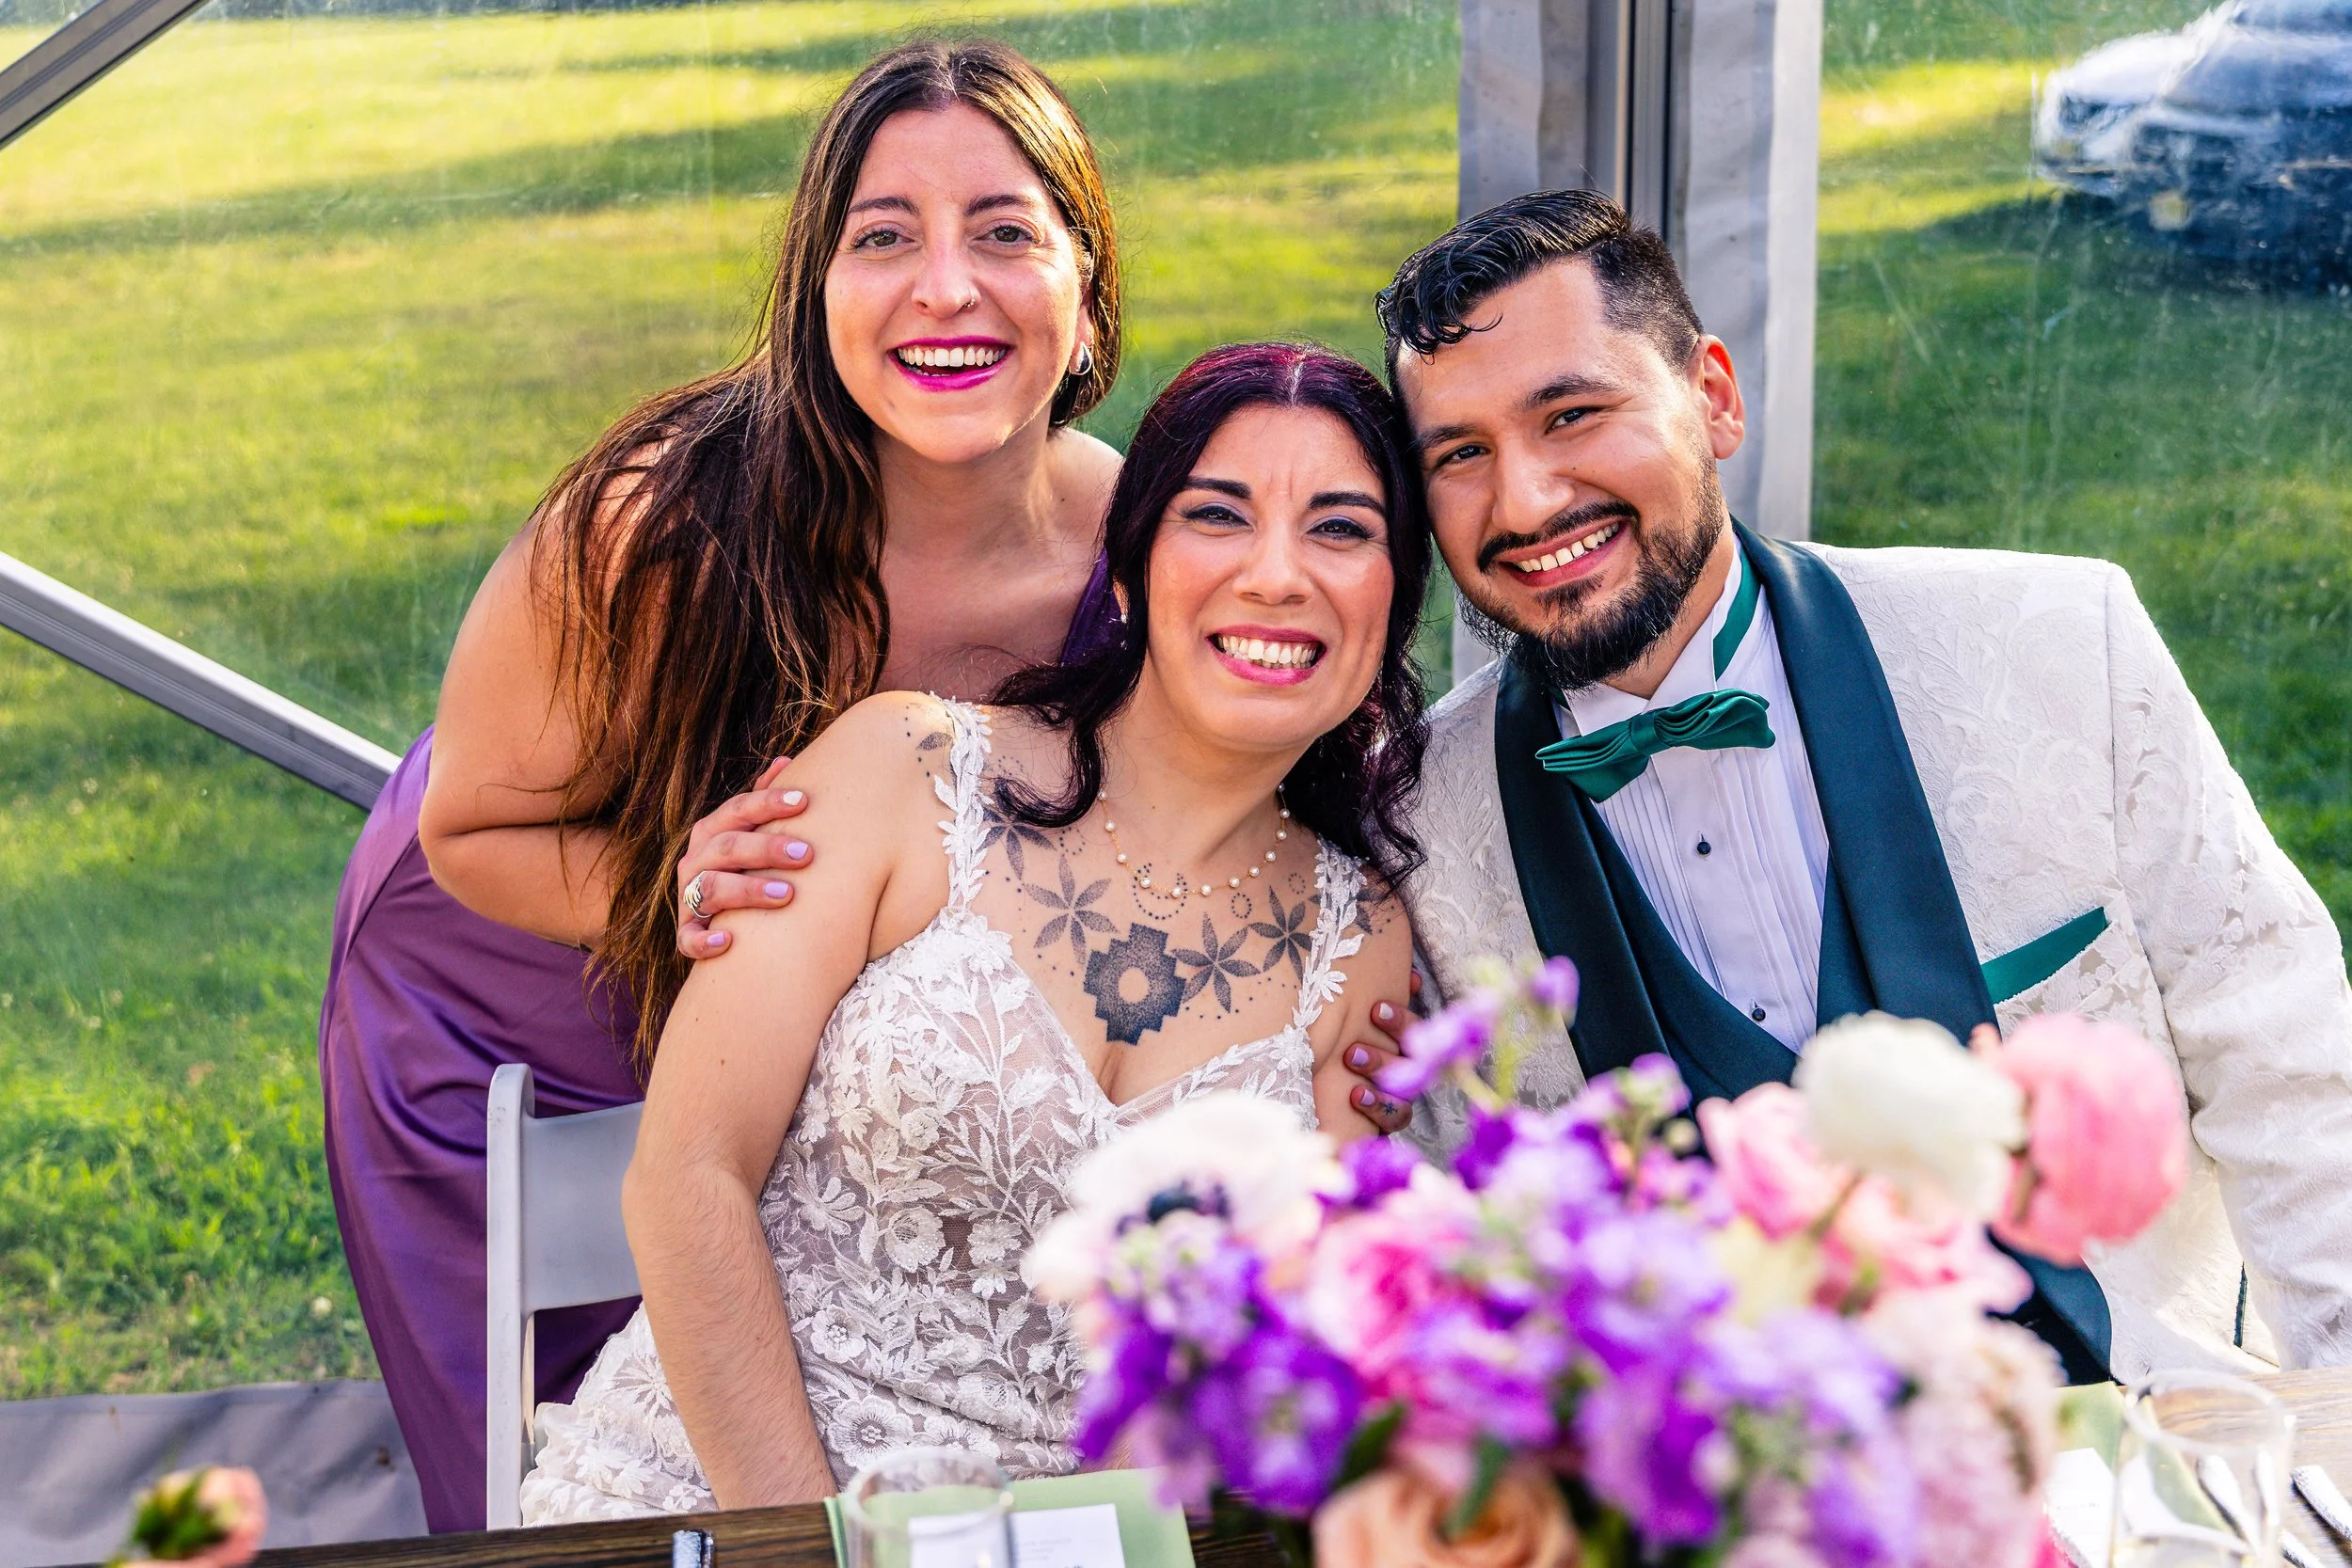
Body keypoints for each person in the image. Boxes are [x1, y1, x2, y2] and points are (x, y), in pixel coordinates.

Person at [319, 40, 1408, 1532]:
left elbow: (1235, 738)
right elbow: (471, 831)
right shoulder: (656, 519)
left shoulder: (1149, 546)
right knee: (584, 1375)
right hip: (517, 952)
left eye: (1007, 232)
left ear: (1089, 281)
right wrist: (682, 883)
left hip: (854, 960)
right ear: (811, 284)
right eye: (882, 235)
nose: (946, 288)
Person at [1386, 188, 2352, 1383]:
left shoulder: (2059, 639)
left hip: (2132, 1453)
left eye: (1572, 413)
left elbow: (2297, 1071)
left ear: (1714, 397)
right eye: (1462, 455)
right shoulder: (1416, 822)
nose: (1525, 501)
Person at [516, 342, 1427, 1519]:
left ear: (1396, 595)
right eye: (1218, 514)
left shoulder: (1361, 941)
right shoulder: (903, 769)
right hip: (713, 1497)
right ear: (1128, 571)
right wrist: (806, 1546)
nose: (1275, 574)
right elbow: (687, 1174)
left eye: (1341, 529)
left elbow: (1270, 1371)